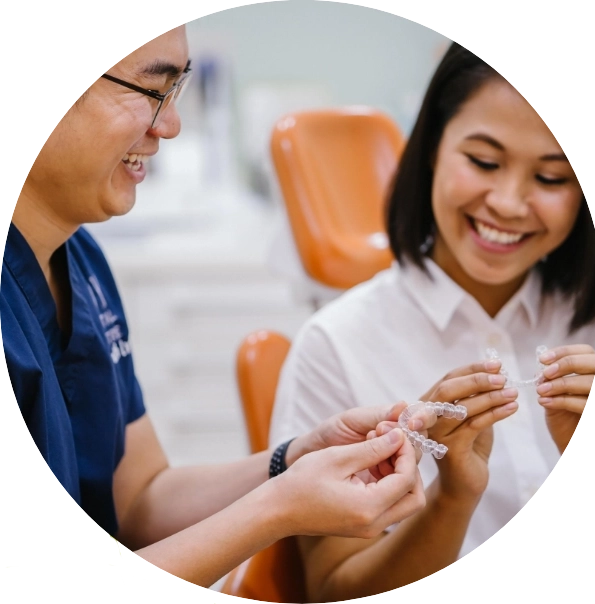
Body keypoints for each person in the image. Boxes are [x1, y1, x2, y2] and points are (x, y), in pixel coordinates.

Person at [0, 25, 431, 590]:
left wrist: (292, 460)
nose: (170, 126)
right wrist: (279, 509)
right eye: (152, 90)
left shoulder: (78, 259)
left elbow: (139, 501)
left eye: (176, 92)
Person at [269, 42, 595, 601]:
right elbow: (331, 588)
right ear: (431, 148)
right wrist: (452, 496)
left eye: (551, 178)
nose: (509, 202)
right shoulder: (337, 344)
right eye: (484, 162)